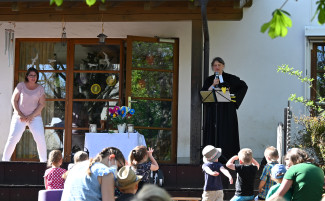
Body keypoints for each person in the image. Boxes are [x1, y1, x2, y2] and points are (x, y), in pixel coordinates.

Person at [201, 57, 248, 162]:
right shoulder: (209, 79)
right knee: (213, 133)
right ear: (212, 67)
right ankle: (211, 157)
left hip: (227, 111)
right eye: (215, 65)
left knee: (227, 133)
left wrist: (233, 98)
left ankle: (228, 157)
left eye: (219, 65)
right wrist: (213, 84)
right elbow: (204, 94)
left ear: (223, 66)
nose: (217, 67)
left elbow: (243, 86)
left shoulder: (230, 78)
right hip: (214, 111)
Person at [2, 67, 47, 162]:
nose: (33, 77)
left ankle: (44, 163)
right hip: (19, 117)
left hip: (35, 117)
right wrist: (20, 114)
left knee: (40, 140)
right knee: (13, 139)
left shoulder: (40, 88)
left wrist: (31, 116)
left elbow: (42, 104)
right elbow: (13, 100)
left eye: (35, 75)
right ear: (27, 76)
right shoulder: (20, 86)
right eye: (31, 75)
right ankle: (4, 162)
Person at [61, 147, 125, 201]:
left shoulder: (76, 167)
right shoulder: (106, 172)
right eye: (119, 167)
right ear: (111, 157)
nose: (118, 171)